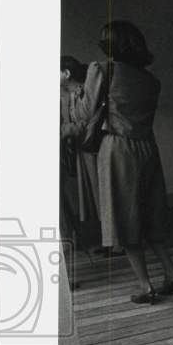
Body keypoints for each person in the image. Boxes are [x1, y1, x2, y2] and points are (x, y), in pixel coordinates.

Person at [85, 20, 173, 303]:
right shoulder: (151, 81)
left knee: (123, 219)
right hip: (147, 148)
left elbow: (86, 110)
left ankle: (145, 285)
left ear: (110, 44)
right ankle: (172, 273)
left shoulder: (101, 69)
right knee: (152, 216)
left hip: (117, 148)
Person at [59, 56, 101, 252]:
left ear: (66, 74)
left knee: (100, 193)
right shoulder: (66, 96)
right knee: (89, 197)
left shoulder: (85, 91)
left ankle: (116, 243)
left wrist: (62, 131)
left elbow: (86, 123)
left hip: (92, 149)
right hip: (78, 152)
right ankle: (104, 239)